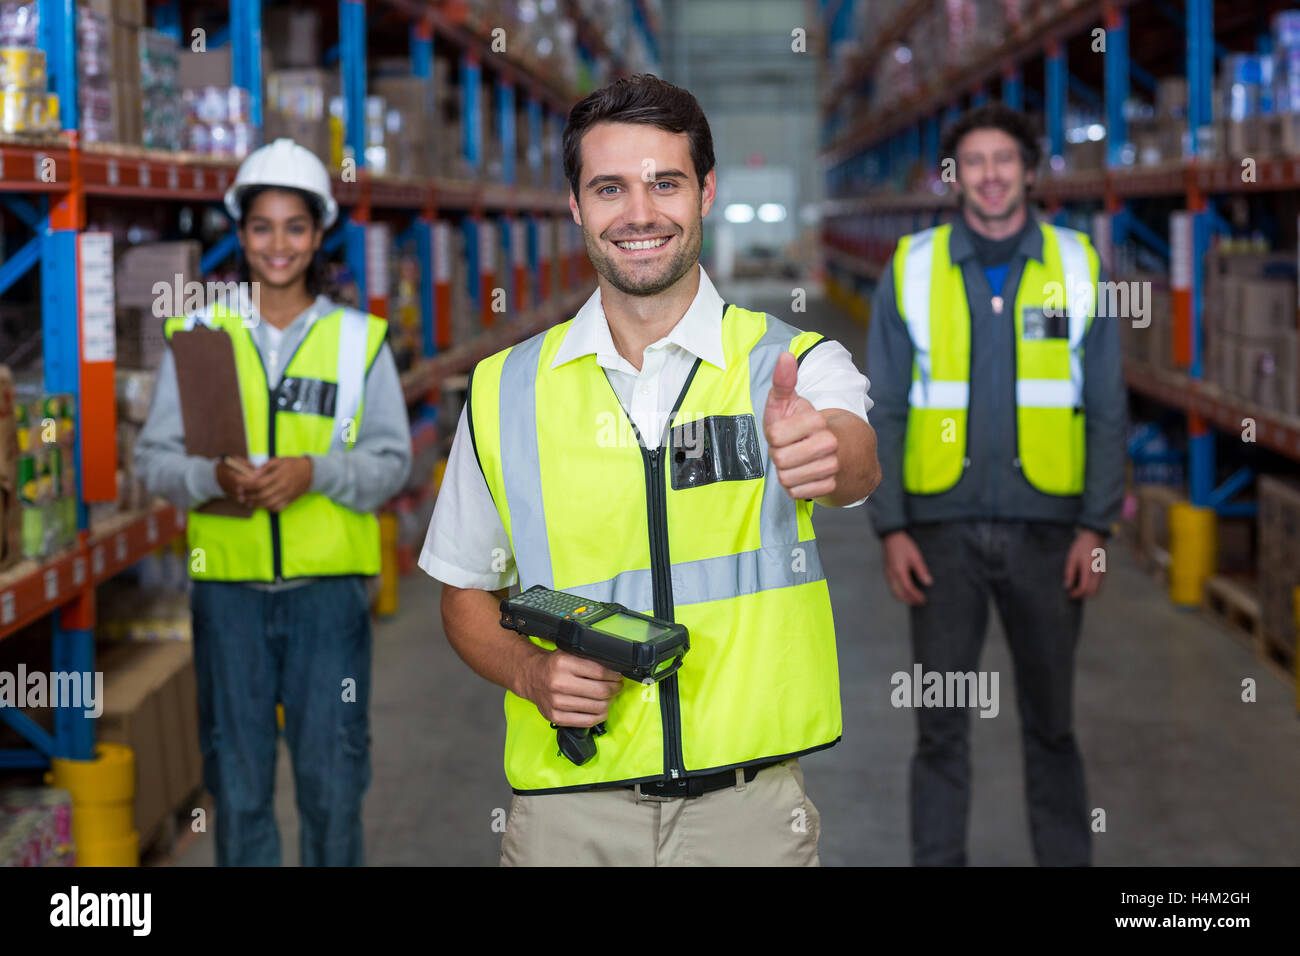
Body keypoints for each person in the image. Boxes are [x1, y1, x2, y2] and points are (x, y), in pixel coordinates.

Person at [421, 74, 881, 866]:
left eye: (664, 183)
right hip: (571, 813)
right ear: (575, 205)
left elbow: (855, 461)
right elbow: (464, 589)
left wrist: (828, 454)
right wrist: (530, 673)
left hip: (751, 816)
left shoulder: (791, 363)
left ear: (705, 193)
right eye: (609, 188)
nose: (639, 214)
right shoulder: (504, 391)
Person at [135, 138, 412, 866]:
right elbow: (154, 461)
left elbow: (391, 462)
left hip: (329, 601)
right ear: (241, 233)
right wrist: (212, 481)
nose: (278, 244)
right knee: (240, 784)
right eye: (262, 227)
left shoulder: (359, 342)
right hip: (228, 599)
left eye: (295, 227)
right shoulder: (198, 336)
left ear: (318, 233)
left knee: (332, 783)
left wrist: (314, 472)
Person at [866, 104, 1127, 866]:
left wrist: (1097, 529)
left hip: (1050, 538)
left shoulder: (1079, 265)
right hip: (938, 539)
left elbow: (1107, 404)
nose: (988, 175)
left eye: (1003, 160)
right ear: (952, 177)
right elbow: (883, 406)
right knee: (940, 728)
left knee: (1052, 725)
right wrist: (891, 527)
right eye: (971, 162)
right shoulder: (911, 268)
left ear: (1031, 171)